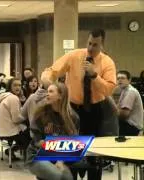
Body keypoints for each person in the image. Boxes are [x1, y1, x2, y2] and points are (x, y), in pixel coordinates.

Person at [41, 29, 116, 180]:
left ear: (102, 45)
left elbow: (109, 89)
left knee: (93, 154)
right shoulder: (74, 56)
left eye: (95, 45)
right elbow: (52, 70)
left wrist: (94, 75)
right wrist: (48, 81)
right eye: (89, 43)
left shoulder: (107, 62)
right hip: (72, 109)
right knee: (70, 152)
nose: (90, 48)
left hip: (95, 110)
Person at [27, 82, 79, 180]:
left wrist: (61, 160)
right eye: (47, 91)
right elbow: (38, 141)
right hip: (37, 155)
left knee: (68, 177)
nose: (47, 94)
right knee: (58, 176)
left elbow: (73, 144)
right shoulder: (40, 114)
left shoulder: (73, 117)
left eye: (51, 91)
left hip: (58, 156)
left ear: (60, 95)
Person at [0, 78, 31, 160]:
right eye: (15, 85)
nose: (18, 87)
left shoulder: (5, 96)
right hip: (10, 132)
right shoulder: (13, 98)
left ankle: (12, 150)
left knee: (26, 130)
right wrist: (26, 117)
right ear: (9, 86)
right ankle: (29, 158)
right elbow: (16, 119)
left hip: (3, 130)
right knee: (31, 133)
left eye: (19, 85)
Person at [115, 70, 143, 136]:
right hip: (130, 126)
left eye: (122, 78)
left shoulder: (130, 92)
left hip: (132, 127)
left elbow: (124, 115)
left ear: (129, 80)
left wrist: (113, 110)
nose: (120, 80)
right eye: (118, 78)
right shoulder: (125, 90)